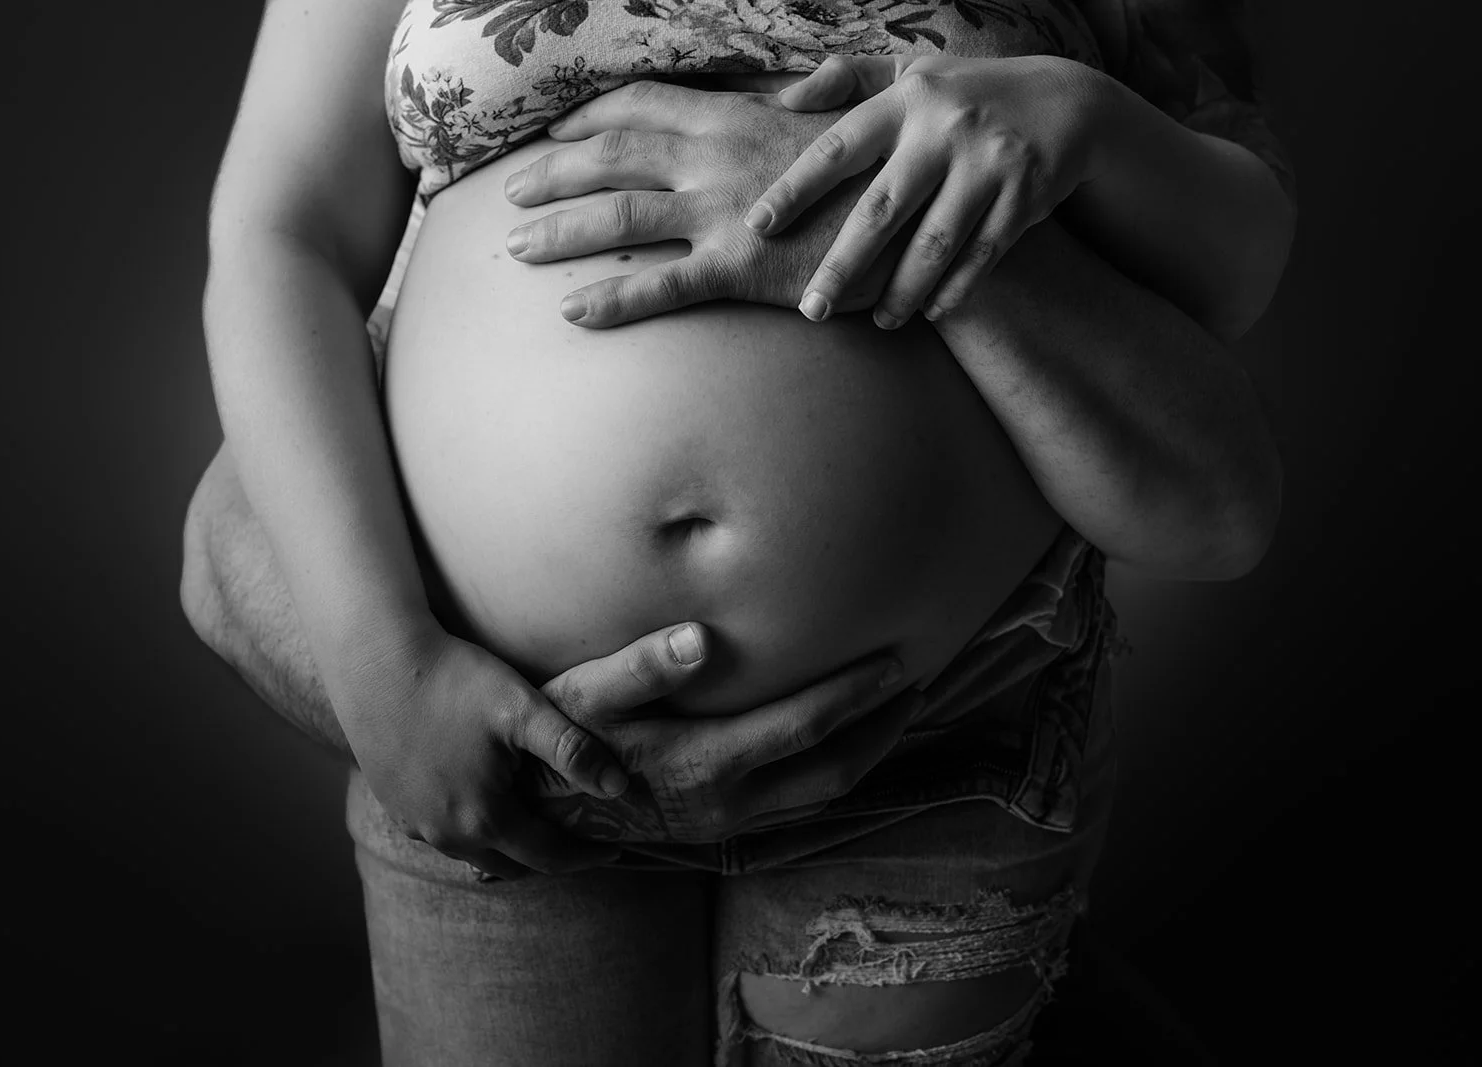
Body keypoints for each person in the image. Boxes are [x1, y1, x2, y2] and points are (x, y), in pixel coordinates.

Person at [181, 0, 1295, 1061]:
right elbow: (283, 232)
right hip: (491, 718)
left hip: (932, 734)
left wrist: (1069, 112)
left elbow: (1229, 254)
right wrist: (387, 672)